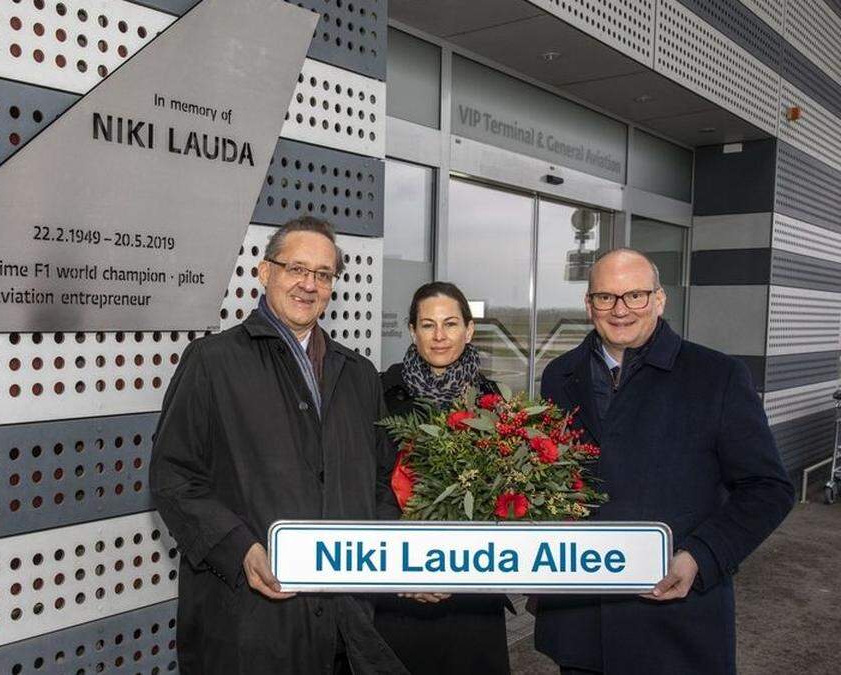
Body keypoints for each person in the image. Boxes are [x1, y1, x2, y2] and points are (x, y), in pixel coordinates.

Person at [149, 216, 406, 674]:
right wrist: (241, 548)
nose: (309, 285)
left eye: (323, 275)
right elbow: (173, 478)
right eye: (296, 269)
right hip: (250, 627)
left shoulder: (360, 376)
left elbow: (381, 482)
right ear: (265, 272)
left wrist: (388, 553)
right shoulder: (211, 363)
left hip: (344, 628)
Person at [534, 248, 795, 674]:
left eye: (634, 295)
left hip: (675, 622)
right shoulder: (559, 376)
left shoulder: (717, 376)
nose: (620, 310)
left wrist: (700, 555)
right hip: (582, 626)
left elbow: (768, 489)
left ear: (659, 299)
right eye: (605, 297)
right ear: (588, 304)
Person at [376, 281, 512, 674]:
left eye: (451, 324)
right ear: (412, 330)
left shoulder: (496, 402)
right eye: (427, 324)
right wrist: (405, 567)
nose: (439, 336)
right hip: (396, 586)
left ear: (469, 330)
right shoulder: (381, 393)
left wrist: (458, 566)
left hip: (472, 592)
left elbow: (506, 492)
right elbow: (365, 481)